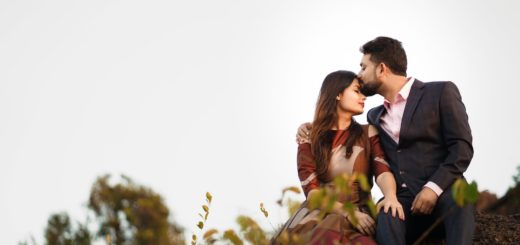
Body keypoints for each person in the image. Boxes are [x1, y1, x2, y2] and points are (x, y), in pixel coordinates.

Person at [297, 37, 474, 245]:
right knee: (387, 215)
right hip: (404, 199)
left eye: (363, 67)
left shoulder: (440, 92)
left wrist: (432, 188)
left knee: (460, 200)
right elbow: (341, 129)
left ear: (381, 69)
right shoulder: (374, 116)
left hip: (444, 189)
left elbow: (461, 148)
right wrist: (311, 127)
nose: (360, 75)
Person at [275, 70, 404, 245]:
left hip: (360, 214)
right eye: (357, 91)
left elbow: (382, 171)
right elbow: (312, 193)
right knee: (325, 238)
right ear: (337, 94)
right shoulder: (309, 137)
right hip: (318, 215)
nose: (364, 97)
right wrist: (347, 213)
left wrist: (390, 195)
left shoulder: (368, 132)